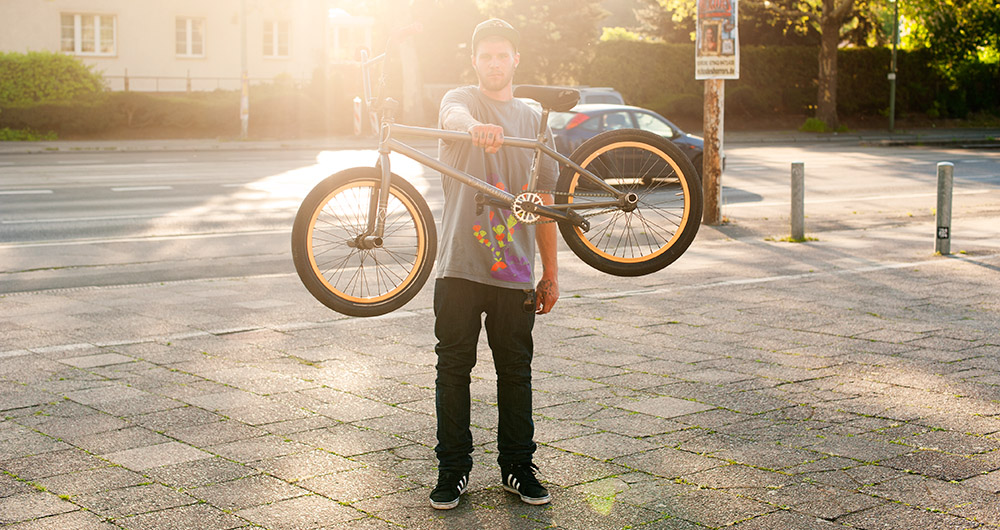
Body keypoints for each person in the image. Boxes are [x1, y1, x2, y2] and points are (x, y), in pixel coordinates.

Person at [428, 18, 559, 510]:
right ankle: (452, 470)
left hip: (515, 272)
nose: (495, 63)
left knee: (516, 372)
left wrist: (551, 274)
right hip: (458, 267)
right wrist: (474, 128)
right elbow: (452, 116)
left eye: (503, 55)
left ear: (516, 60)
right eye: (486, 56)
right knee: (452, 370)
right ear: (475, 61)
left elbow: (545, 202)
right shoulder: (461, 100)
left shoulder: (535, 120)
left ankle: (518, 468)